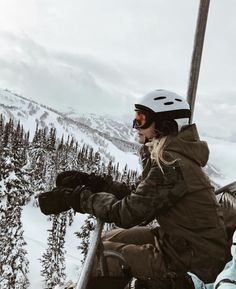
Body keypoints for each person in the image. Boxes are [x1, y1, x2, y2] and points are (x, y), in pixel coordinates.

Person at [39, 89, 228, 289]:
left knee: (104, 259)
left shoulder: (172, 166)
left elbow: (128, 213)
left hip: (195, 263)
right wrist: (98, 184)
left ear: (165, 124)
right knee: (109, 238)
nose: (135, 125)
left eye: (141, 119)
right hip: (180, 244)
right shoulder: (171, 158)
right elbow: (142, 197)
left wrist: (77, 199)